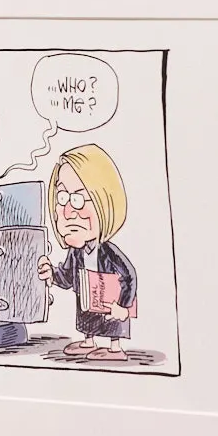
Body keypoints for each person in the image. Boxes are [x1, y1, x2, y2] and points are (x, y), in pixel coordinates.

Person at [37, 143, 137, 360]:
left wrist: (124, 307)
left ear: (105, 203)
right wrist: (51, 274)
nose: (69, 211)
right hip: (87, 299)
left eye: (79, 199)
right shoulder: (76, 253)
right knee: (87, 313)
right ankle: (89, 340)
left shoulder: (110, 252)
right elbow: (67, 277)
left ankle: (115, 348)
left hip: (112, 303)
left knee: (111, 320)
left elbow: (130, 276)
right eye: (62, 198)